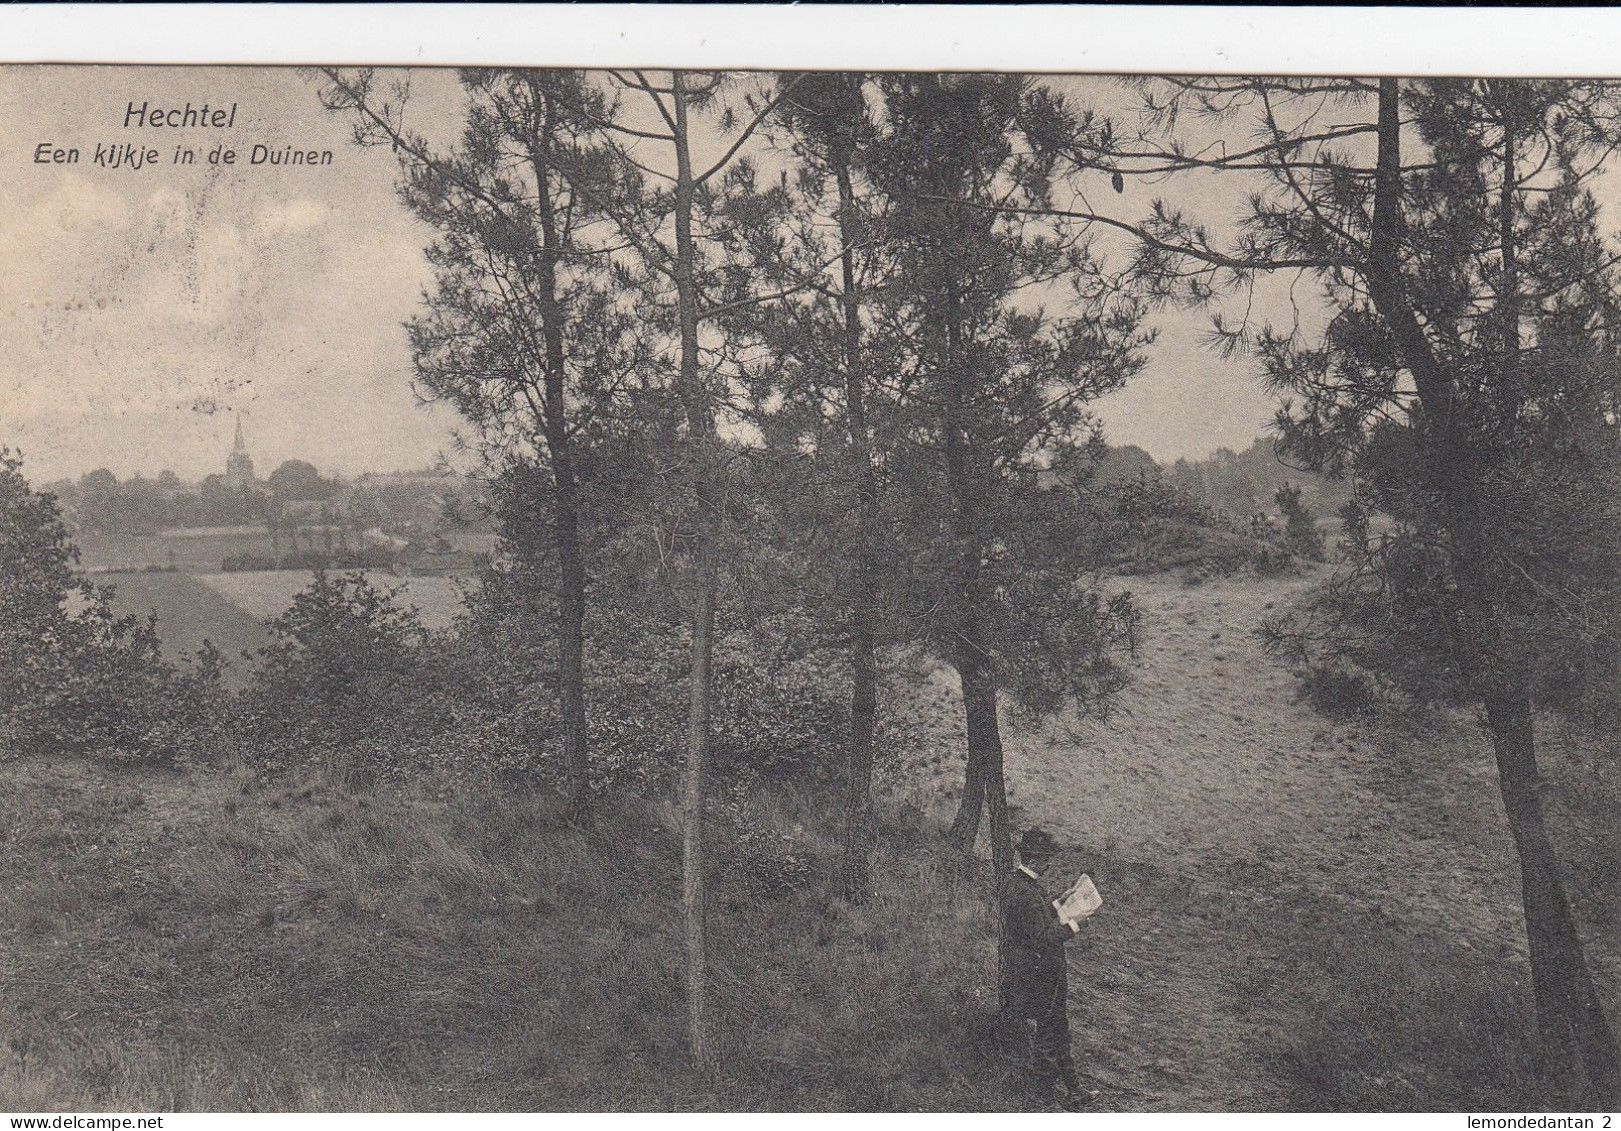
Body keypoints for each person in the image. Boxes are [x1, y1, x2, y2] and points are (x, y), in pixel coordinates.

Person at [1000, 827, 1094, 1109]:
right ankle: (1061, 1089)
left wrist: (1057, 903)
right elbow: (1041, 937)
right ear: (1036, 861)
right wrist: (1076, 924)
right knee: (1054, 1027)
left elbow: (1033, 922)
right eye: (1046, 859)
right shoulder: (1028, 893)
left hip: (1030, 970)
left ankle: (1055, 1086)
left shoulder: (1015, 884)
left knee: (1050, 1026)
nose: (1049, 864)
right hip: (1043, 972)